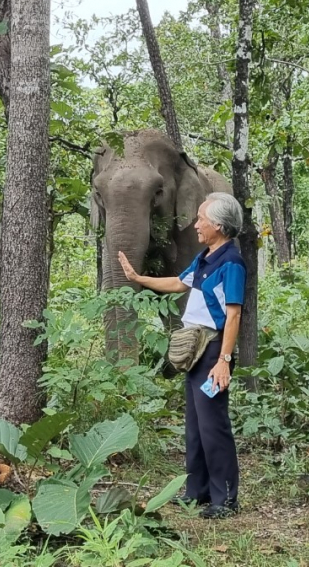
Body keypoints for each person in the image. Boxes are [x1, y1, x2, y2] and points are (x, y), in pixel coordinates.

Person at [118, 192, 245, 519]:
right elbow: (178, 282)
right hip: (195, 350)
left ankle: (225, 499)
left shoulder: (231, 262)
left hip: (214, 350)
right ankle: (198, 491)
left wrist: (224, 362)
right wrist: (137, 279)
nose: (196, 224)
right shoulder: (206, 257)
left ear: (218, 224)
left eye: (201, 218)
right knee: (195, 424)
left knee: (213, 424)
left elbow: (233, 315)